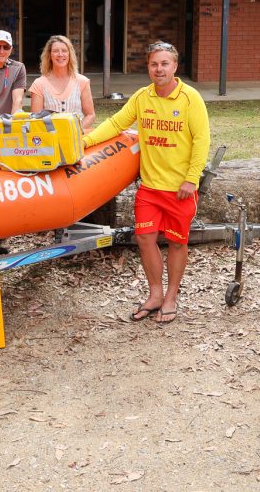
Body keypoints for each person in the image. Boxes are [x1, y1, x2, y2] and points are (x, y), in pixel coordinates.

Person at [83, 41, 209, 325]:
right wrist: (86, 142)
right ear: (148, 67)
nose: (159, 69)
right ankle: (155, 294)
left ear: (175, 67)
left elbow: (202, 140)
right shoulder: (142, 97)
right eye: (154, 64)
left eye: (165, 63)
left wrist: (192, 179)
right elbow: (116, 123)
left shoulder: (191, 98)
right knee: (145, 238)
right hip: (150, 187)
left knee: (177, 243)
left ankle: (171, 297)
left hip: (180, 189)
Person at [28, 34, 95, 131]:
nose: (60, 54)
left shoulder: (82, 81)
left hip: (77, 137)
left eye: (64, 51)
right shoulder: (39, 84)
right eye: (55, 51)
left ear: (69, 54)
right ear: (49, 55)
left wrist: (75, 130)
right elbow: (35, 120)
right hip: (51, 139)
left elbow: (90, 115)